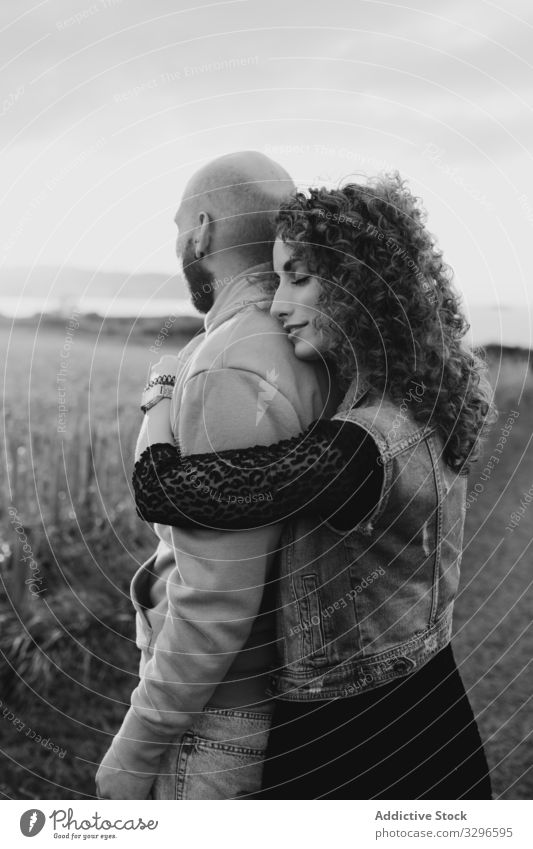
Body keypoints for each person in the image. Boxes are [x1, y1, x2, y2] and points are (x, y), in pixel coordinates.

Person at [131, 173, 496, 799]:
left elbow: (171, 491)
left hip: (360, 742)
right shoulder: (415, 397)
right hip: (427, 704)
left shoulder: (365, 446)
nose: (276, 304)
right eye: (275, 279)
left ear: (360, 286)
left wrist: (163, 396)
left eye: (298, 277)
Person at [95, 151, 336, 800]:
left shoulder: (227, 364)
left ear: (201, 229)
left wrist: (134, 747)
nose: (178, 243)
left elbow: (214, 602)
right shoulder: (305, 344)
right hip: (258, 692)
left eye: (178, 226)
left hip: (212, 717)